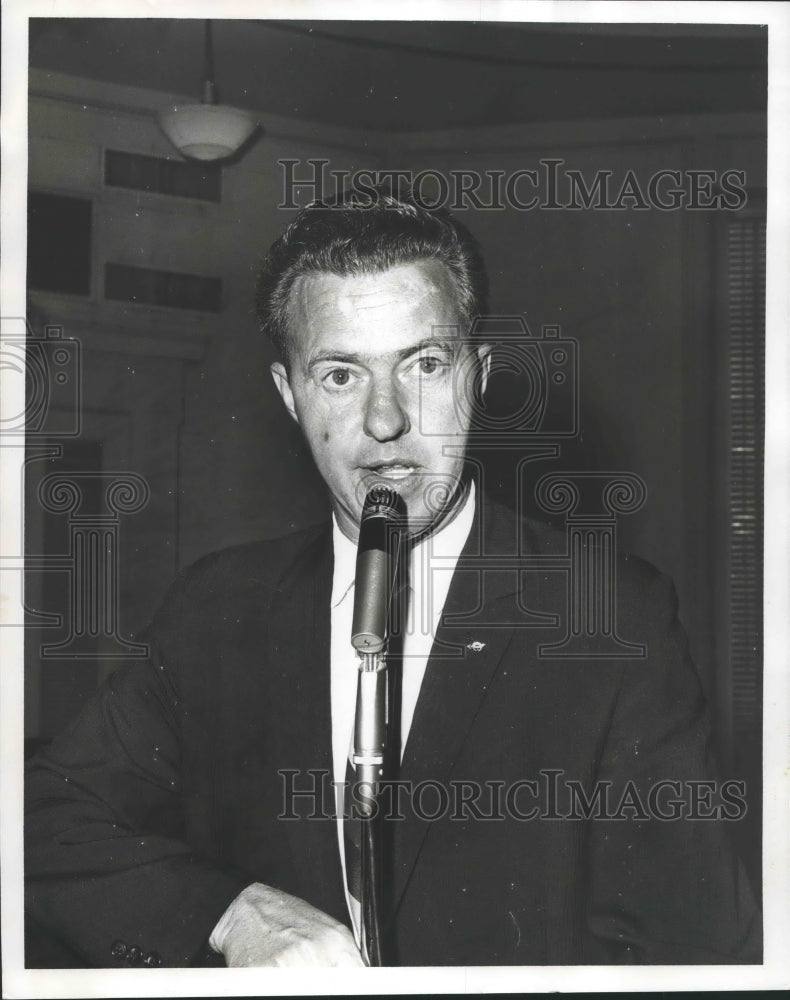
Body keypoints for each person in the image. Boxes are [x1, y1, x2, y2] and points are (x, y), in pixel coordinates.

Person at [25, 185, 760, 967]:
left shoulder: (614, 613)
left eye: (425, 365)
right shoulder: (217, 605)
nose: (385, 423)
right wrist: (233, 913)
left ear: (478, 376)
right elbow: (43, 815)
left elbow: (698, 947)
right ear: (289, 395)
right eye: (340, 375)